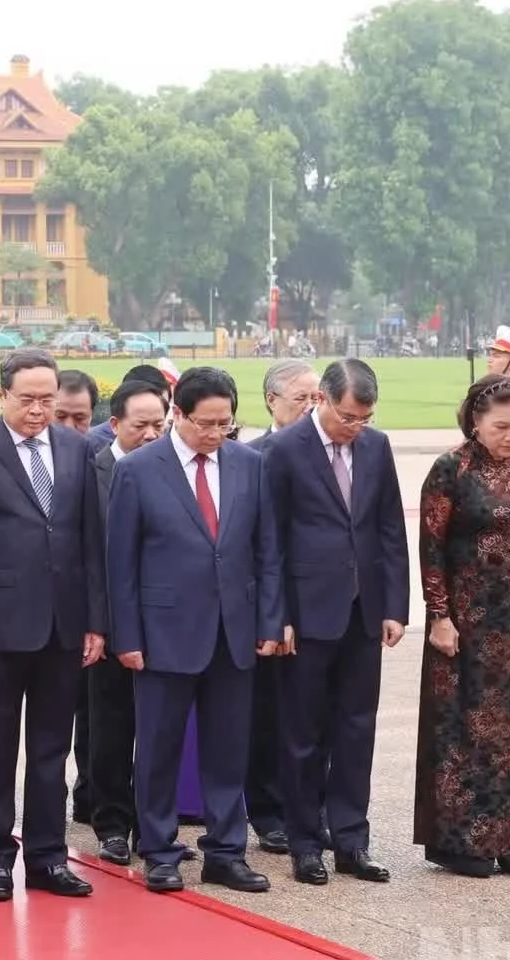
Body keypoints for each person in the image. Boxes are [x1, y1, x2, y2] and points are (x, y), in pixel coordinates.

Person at [106, 367, 281, 895]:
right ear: (177, 413)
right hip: (163, 632)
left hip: (235, 629)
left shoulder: (250, 464)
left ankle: (225, 852)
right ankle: (159, 850)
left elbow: (267, 551)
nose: (216, 434)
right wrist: (127, 636)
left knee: (229, 748)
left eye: (225, 424)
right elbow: (122, 563)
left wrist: (268, 620)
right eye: (205, 423)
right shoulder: (138, 469)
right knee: (158, 747)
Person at [0, 348, 104, 902]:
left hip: (64, 626)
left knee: (50, 749)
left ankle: (47, 856)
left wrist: (95, 622)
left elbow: (90, 541)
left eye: (48, 399)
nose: (40, 410)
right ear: (2, 394)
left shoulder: (77, 449)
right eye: (29, 399)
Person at [263, 358, 407, 887]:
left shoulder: (376, 446)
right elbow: (271, 539)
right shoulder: (282, 451)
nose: (356, 426)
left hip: (363, 611)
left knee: (355, 729)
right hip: (306, 613)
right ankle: (304, 843)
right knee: (302, 733)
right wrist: (277, 616)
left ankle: (351, 840)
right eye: (348, 416)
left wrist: (395, 606)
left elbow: (389, 527)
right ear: (320, 399)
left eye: (364, 417)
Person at [414, 375, 510, 878]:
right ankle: (464, 839)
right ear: (475, 421)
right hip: (465, 624)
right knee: (465, 730)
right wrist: (439, 616)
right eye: (501, 426)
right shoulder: (451, 470)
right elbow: (431, 551)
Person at [86, 378, 169, 867]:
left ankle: (154, 825)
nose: (152, 434)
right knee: (110, 726)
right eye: (141, 426)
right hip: (110, 621)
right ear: (115, 425)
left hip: (165, 619)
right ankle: (112, 824)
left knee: (161, 728)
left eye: (160, 423)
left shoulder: (170, 468)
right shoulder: (90, 469)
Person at [241, 358, 319, 855]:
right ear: (272, 400)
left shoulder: (333, 451)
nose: (312, 409)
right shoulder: (254, 457)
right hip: (273, 609)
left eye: (319, 399)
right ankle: (268, 813)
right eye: (302, 399)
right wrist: (276, 611)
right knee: (269, 716)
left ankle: (313, 811)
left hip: (325, 607)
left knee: (317, 718)